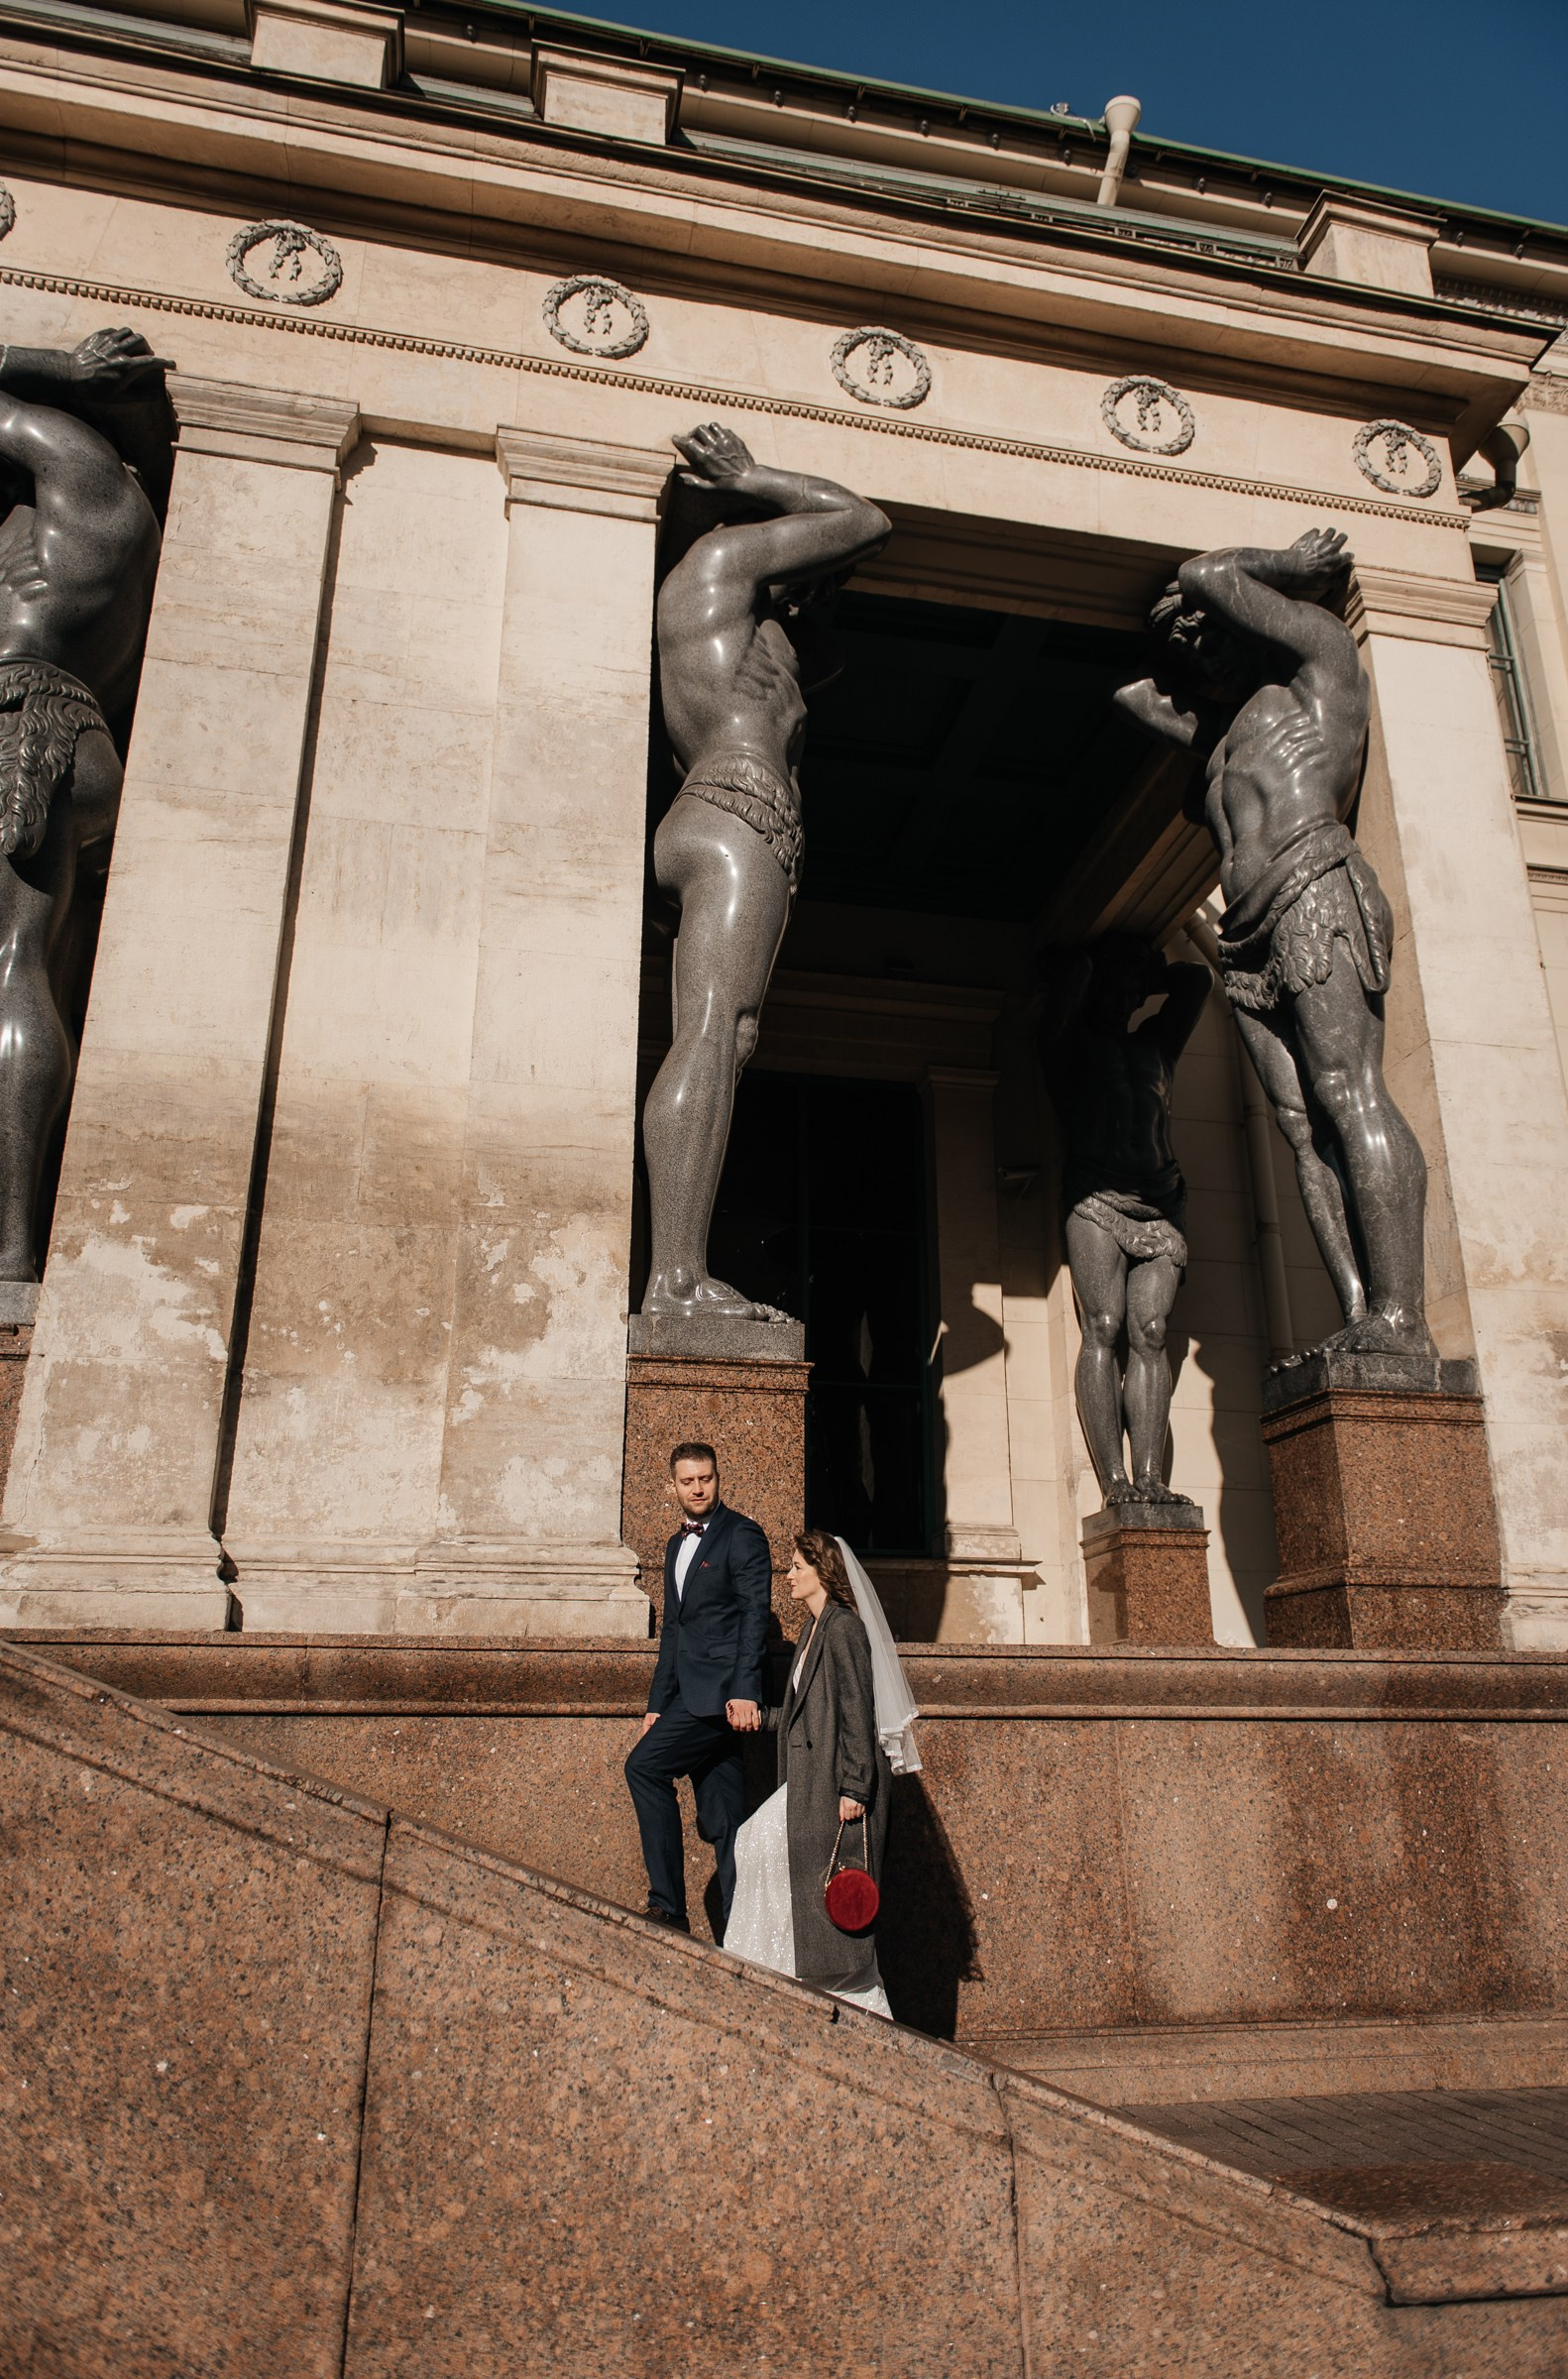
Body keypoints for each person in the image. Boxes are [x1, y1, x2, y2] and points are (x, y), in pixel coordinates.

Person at [1115, 527, 1431, 1359]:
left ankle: (1403, 1314)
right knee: (1298, 1124)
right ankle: (1361, 1311)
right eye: (1189, 645)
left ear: (1256, 623)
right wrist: (1189, 659)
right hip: (1246, 932)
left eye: (1214, 633)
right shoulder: (1222, 737)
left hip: (1313, 884)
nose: (1202, 654)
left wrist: (1286, 570)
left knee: (1349, 1093)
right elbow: (1132, 699)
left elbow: (1205, 568)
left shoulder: (1318, 674)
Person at [641, 423, 889, 1326]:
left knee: (728, 1039)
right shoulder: (715, 567)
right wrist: (756, 479)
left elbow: (826, 650)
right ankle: (673, 1277)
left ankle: (678, 1266)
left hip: (744, 817)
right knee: (712, 1034)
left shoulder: (765, 633)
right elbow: (862, 518)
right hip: (732, 807)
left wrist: (805, 601)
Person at [0, 326, 170, 1280]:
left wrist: (51, 367)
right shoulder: (121, 526)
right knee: (32, 955)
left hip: (19, 707)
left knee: (12, 959)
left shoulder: (80, 466)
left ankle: (11, 1247)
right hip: (78, 725)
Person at [1039, 935, 1208, 1505]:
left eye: (1131, 992)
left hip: (1161, 1203)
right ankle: (1114, 1481)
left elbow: (1196, 983)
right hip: (1096, 1198)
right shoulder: (1068, 1045)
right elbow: (1069, 978)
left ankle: (1152, 1478)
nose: (1123, 999)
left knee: (1152, 1333)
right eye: (1113, 989)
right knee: (1105, 1326)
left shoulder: (1156, 1046)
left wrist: (1140, 972)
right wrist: (1098, 970)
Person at [723, 1528, 921, 2016]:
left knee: (767, 1849)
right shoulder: (813, 1630)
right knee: (756, 1845)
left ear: (821, 1572)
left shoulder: (844, 1629)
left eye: (796, 1567)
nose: (787, 1576)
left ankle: (798, 1977)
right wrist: (759, 1717)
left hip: (835, 1784)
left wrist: (855, 1786)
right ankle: (781, 1967)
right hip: (809, 1783)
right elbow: (804, 1714)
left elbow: (857, 1709)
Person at [624, 1441, 771, 1934]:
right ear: (673, 1486)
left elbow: (755, 1618)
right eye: (687, 1481)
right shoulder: (674, 1545)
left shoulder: (743, 1535)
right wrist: (656, 1705)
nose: (697, 1488)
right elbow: (674, 1630)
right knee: (726, 1818)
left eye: (705, 1478)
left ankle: (668, 1906)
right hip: (686, 1695)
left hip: (723, 1699)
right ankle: (744, 1932)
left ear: (717, 1478)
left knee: (643, 1768)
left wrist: (746, 1689)